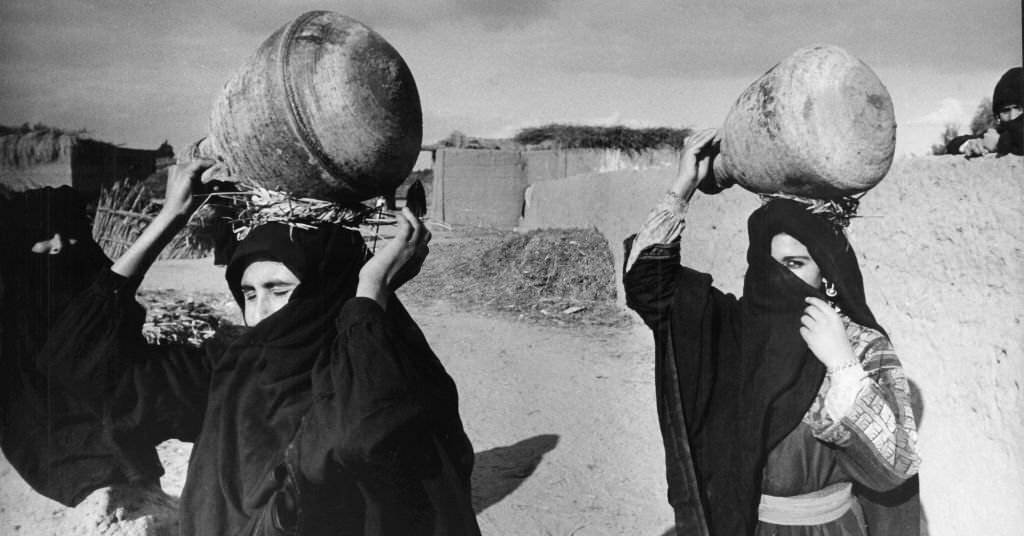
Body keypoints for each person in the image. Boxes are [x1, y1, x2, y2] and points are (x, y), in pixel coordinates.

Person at [32, 160, 481, 535]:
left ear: (328, 291)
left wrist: (369, 293)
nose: (261, 312)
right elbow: (76, 359)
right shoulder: (231, 373)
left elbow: (354, 437)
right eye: (249, 293)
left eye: (279, 289)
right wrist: (170, 217)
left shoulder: (373, 375)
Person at [624, 130, 921, 535]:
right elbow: (649, 286)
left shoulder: (861, 346)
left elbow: (894, 469)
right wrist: (683, 188)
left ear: (828, 277)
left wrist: (842, 365)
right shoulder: (733, 331)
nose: (778, 279)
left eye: (796, 264)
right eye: (770, 265)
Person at [0, 186, 166, 506]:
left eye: (69, 233)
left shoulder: (92, 293)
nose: (59, 245)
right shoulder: (15, 316)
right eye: (44, 236)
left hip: (122, 441)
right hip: (59, 451)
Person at [946, 66, 1023, 156]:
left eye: (1019, 108)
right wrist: (971, 144)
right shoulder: (998, 133)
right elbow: (953, 144)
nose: (1012, 116)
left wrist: (1000, 142)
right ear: (997, 116)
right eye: (1005, 111)